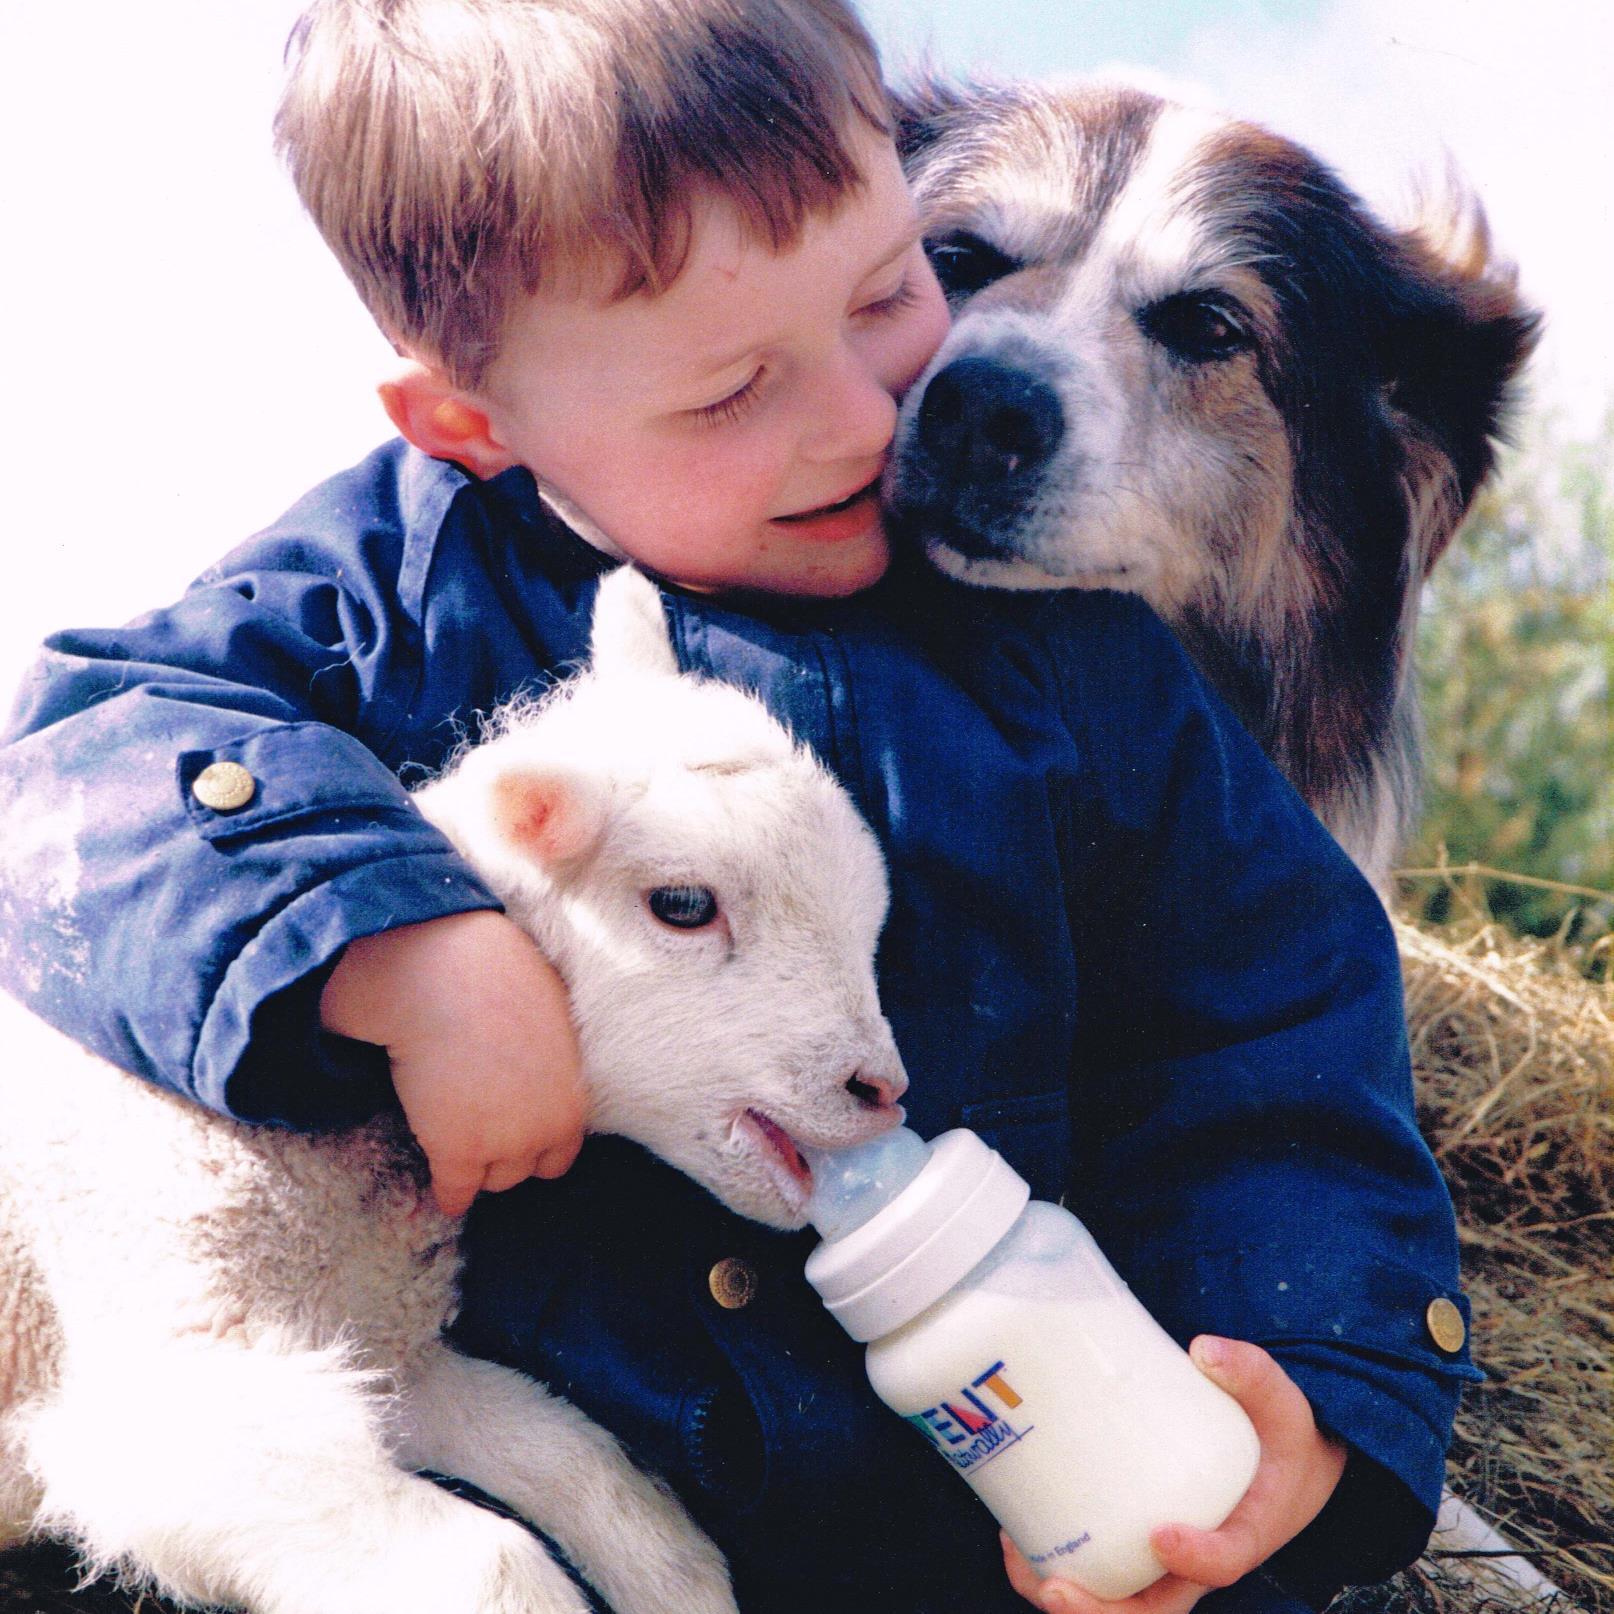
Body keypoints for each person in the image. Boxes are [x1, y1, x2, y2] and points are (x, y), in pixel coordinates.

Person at [0, 2, 1478, 1610]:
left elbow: (1267, 1030)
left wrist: (1317, 1391)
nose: (866, 419)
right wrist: (388, 939)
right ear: (475, 423)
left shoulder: (1083, 669)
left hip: (969, 1529)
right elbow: (91, 750)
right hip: (501, 1474)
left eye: (887, 290)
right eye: (728, 394)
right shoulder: (404, 575)